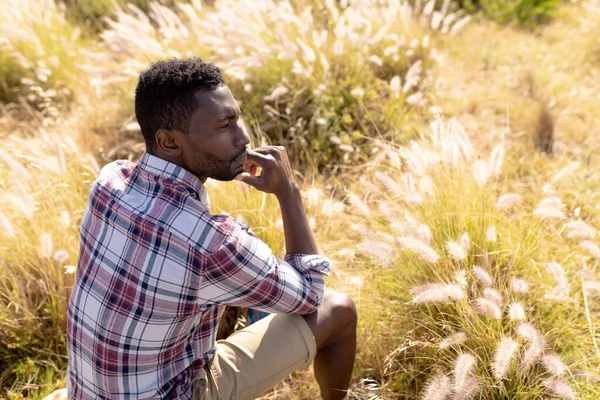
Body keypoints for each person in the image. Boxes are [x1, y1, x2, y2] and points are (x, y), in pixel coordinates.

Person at [66, 57, 357, 400]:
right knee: (339, 310)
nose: (244, 138)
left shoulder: (109, 180)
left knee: (230, 289)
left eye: (237, 118)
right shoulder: (214, 245)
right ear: (170, 142)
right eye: (224, 126)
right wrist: (289, 193)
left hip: (86, 392)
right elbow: (310, 294)